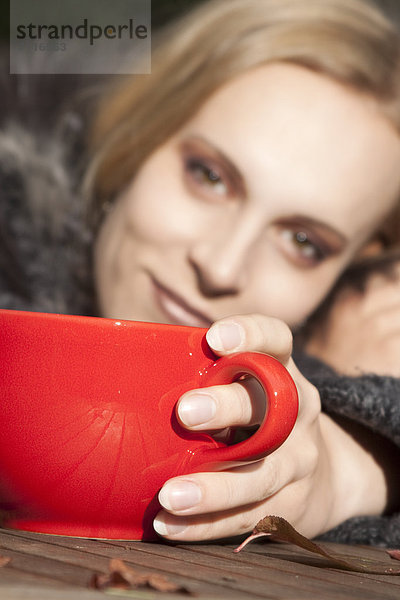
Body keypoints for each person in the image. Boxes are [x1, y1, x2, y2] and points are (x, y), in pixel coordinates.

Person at [1, 0, 400, 546]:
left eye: (303, 243)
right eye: (208, 176)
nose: (220, 266)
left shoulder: (311, 382)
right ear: (142, 135)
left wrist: (355, 462)